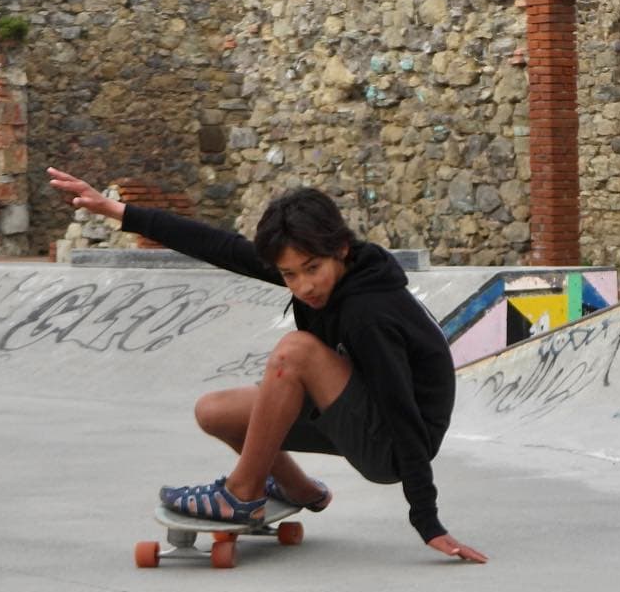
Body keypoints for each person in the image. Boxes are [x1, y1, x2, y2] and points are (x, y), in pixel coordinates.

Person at [47, 167, 487, 563]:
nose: (304, 286)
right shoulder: (309, 269)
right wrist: (117, 211)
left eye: (311, 269)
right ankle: (301, 490)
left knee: (295, 351)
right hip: (352, 412)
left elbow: (402, 409)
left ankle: (240, 494)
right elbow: (219, 246)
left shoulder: (369, 311)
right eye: (289, 275)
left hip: (392, 442)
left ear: (341, 249)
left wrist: (428, 522)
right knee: (214, 411)